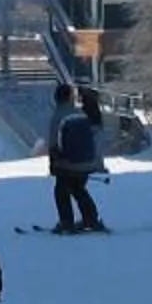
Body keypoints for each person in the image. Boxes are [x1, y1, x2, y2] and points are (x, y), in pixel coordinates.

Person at [47, 83, 105, 235]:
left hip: (68, 163)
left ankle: (66, 222)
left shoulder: (59, 116)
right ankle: (91, 218)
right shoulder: (80, 113)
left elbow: (54, 142)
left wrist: (54, 163)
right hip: (86, 161)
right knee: (78, 188)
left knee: (61, 190)